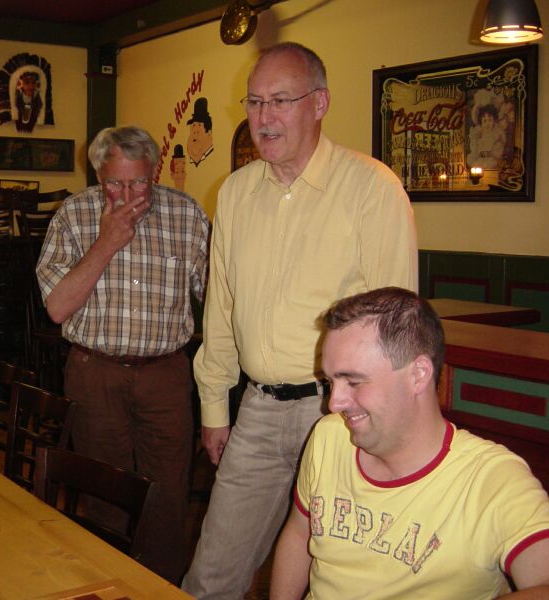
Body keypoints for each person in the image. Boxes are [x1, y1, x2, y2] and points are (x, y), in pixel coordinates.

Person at [183, 42, 418, 599]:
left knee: (341, 580)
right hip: (258, 411)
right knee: (211, 577)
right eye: (254, 102)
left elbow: (398, 326)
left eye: (280, 101)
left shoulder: (372, 188)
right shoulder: (235, 193)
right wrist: (215, 408)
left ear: (319, 104)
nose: (263, 117)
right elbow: (222, 309)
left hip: (344, 413)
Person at [271, 287, 549, 599]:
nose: (334, 403)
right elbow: (300, 533)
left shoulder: (492, 479)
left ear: (418, 374)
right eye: (330, 382)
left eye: (354, 382)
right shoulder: (329, 435)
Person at [36, 125, 210, 583]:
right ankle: (109, 585)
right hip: (95, 372)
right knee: (103, 492)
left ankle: (160, 589)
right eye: (116, 183)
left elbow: (217, 297)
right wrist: (107, 241)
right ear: (99, 175)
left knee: (168, 499)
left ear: (155, 173)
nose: (129, 195)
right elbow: (57, 307)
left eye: (139, 183)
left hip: (166, 375)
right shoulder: (73, 215)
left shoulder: (187, 214)